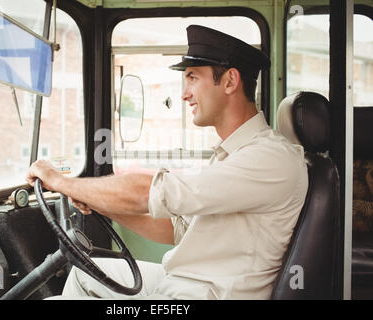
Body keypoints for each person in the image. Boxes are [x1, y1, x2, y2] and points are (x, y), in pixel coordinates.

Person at [26, 25, 308, 300]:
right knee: (82, 274)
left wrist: (62, 181)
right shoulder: (234, 153)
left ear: (230, 81)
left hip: (206, 293)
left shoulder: (269, 158)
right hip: (185, 282)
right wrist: (101, 203)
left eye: (193, 78)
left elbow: (149, 192)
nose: (185, 93)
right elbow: (178, 229)